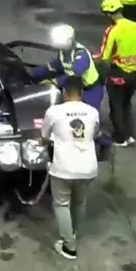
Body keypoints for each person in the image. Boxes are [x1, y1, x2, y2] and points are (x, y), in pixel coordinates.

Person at [40, 76, 100, 261]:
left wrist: (46, 142)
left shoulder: (54, 111)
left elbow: (44, 137)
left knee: (61, 204)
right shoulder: (93, 112)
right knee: (80, 202)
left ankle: (69, 246)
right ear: (82, 93)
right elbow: (95, 134)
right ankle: (72, 233)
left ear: (64, 93)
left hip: (63, 168)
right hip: (88, 167)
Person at [98, 0, 136, 147]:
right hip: (134, 74)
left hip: (118, 74)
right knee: (126, 104)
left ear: (109, 13)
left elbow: (105, 56)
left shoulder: (113, 30)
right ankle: (130, 135)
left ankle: (120, 138)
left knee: (116, 106)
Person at [29, 25, 105, 112]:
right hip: (75, 89)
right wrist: (33, 73)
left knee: (89, 114)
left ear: (70, 40)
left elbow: (74, 76)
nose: (59, 44)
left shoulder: (81, 54)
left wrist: (54, 82)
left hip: (90, 91)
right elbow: (55, 65)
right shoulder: (63, 52)